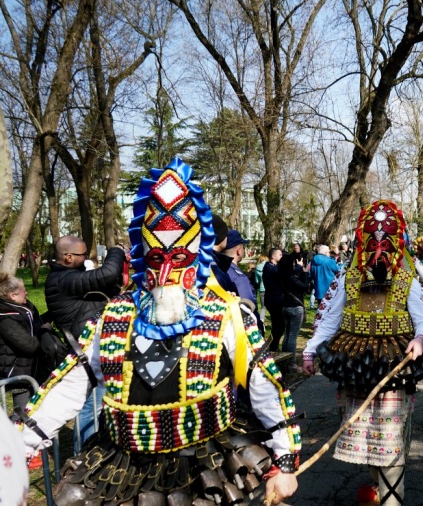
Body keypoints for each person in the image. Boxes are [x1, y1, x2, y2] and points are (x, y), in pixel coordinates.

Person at [20, 158, 301, 504]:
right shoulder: (114, 316)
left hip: (205, 470)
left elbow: (265, 386)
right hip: (124, 472)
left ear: (198, 252)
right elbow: (68, 386)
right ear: (141, 252)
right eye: (157, 257)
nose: (167, 267)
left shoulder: (227, 314)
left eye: (179, 256)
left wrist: (285, 461)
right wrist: (17, 448)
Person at [302, 200, 423, 506]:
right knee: (364, 441)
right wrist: (310, 352)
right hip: (354, 370)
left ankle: (391, 500)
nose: (379, 250)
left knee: (390, 444)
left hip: (394, 370)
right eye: (372, 242)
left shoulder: (407, 282)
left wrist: (420, 339)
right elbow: (328, 321)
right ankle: (377, 489)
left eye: (386, 243)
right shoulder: (348, 279)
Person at [44, 234, 126, 449]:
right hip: (85, 353)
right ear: (69, 257)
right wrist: (116, 250)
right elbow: (108, 273)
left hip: (94, 350)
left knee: (98, 405)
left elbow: (110, 284)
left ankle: (93, 451)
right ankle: (82, 458)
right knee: (90, 407)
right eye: (83, 254)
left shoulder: (72, 278)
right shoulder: (62, 280)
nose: (86, 258)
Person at [0, 275, 61, 412]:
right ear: (13, 295)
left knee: (35, 410)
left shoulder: (22, 308)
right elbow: (29, 345)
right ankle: (13, 432)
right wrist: (43, 331)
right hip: (19, 373)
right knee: (24, 414)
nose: (26, 292)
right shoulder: (5, 318)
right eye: (23, 290)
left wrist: (54, 313)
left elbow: (34, 325)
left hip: (32, 369)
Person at [279, 254, 310, 372]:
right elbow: (304, 286)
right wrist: (306, 273)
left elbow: (293, 272)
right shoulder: (291, 277)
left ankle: (284, 359)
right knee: (292, 336)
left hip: (285, 306)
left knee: (287, 335)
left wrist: (299, 267)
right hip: (295, 307)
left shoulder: (282, 274)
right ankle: (291, 362)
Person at [225, 229, 260, 325]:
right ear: (239, 251)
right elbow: (248, 305)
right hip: (242, 327)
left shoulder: (218, 269)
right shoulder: (238, 276)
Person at [263, 247, 285, 351]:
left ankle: (273, 346)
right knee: (278, 326)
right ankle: (272, 347)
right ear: (273, 256)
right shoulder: (269, 267)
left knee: (279, 326)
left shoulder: (274, 267)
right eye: (280, 255)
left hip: (276, 299)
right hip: (273, 300)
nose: (282, 257)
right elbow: (280, 274)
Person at [254, 253, 269, 322]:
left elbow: (257, 281)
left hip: (262, 288)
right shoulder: (269, 266)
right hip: (270, 288)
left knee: (263, 307)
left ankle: (261, 320)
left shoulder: (257, 267)